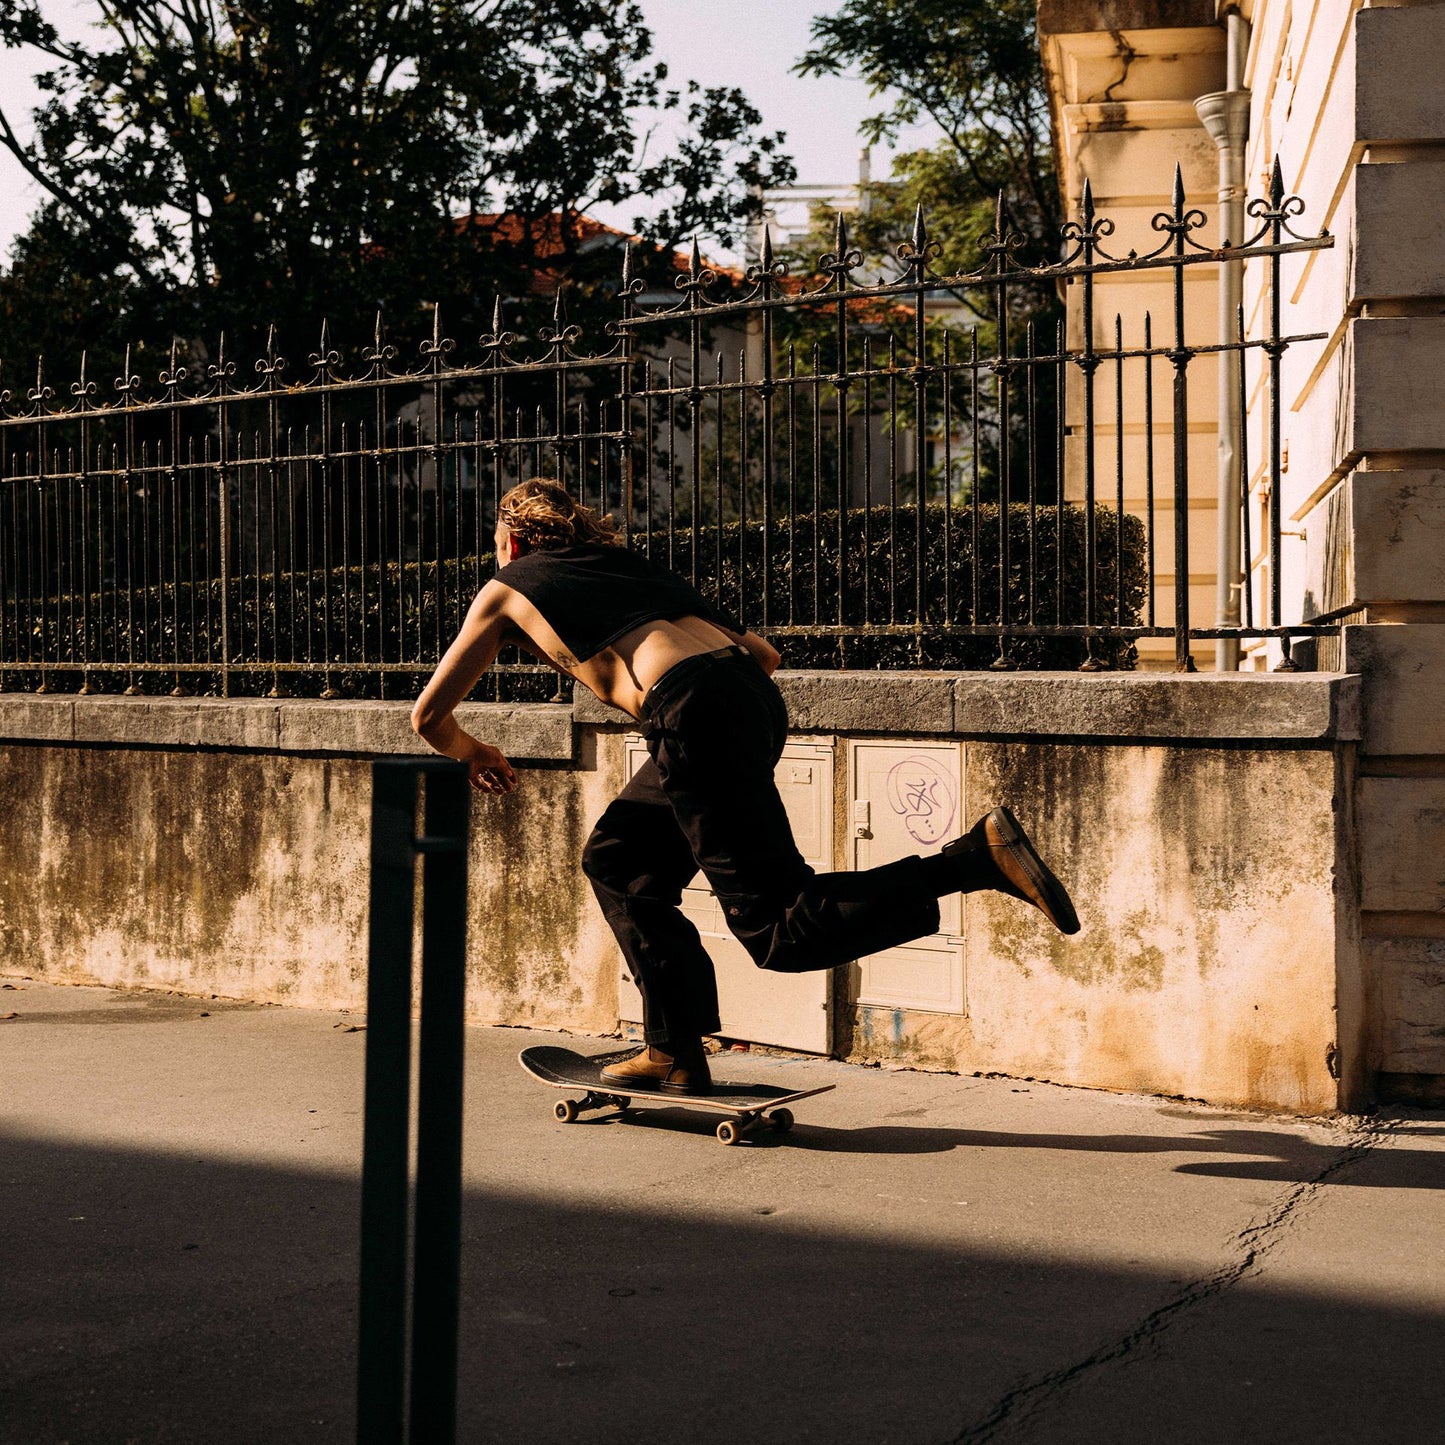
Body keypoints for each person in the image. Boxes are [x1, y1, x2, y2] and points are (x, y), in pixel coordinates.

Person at [412, 479, 1079, 1096]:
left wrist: (476, 751)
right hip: (745, 696)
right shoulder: (628, 568)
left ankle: (971, 860)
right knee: (620, 859)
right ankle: (670, 1048)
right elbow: (763, 655)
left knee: (778, 928)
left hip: (690, 710)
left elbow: (429, 717)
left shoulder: (507, 584)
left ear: (513, 542)